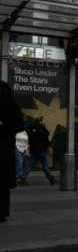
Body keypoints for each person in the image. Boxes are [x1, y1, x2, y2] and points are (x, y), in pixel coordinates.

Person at [1, 81, 24, 222]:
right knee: (2, 183)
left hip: (4, 146)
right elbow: (18, 124)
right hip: (4, 148)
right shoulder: (11, 105)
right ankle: (2, 212)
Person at [23, 117, 56, 185]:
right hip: (40, 150)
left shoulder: (31, 129)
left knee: (31, 165)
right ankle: (50, 177)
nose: (42, 122)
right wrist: (43, 127)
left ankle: (23, 177)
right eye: (41, 121)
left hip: (35, 150)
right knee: (44, 165)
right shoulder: (40, 130)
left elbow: (30, 138)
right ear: (39, 122)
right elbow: (46, 136)